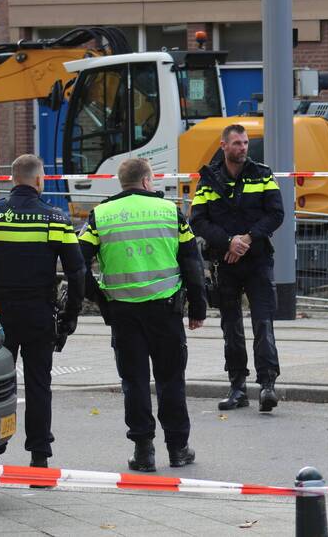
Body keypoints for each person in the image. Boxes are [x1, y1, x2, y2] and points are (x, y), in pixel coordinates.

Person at [0, 154, 85, 470]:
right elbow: (77, 272)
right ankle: (39, 456)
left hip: (0, 314)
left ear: (13, 179)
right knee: (39, 384)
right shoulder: (55, 218)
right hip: (39, 313)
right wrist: (70, 315)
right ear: (39, 181)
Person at [79, 157, 207, 472]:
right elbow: (192, 261)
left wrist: (101, 299)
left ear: (121, 182)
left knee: (134, 381)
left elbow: (76, 263)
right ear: (148, 180)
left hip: (123, 313)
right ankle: (178, 449)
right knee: (171, 380)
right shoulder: (170, 211)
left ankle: (144, 452)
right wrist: (198, 307)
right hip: (165, 311)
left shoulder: (101, 215)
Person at [190, 124, 284, 413]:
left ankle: (267, 386)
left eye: (245, 143)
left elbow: (276, 213)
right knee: (231, 327)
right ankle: (237, 387)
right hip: (225, 264)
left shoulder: (263, 174)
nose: (243, 148)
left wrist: (247, 238)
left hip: (257, 261)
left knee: (263, 324)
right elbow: (197, 220)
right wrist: (229, 242)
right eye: (237, 143)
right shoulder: (207, 181)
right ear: (224, 146)